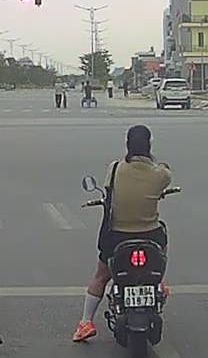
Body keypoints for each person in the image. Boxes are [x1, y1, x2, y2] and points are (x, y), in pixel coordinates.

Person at [72, 125, 172, 342]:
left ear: (127, 145)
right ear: (149, 146)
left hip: (117, 237)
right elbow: (166, 173)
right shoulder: (160, 175)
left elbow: (109, 190)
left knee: (101, 276)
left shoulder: (115, 168)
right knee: (162, 236)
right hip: (150, 235)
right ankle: (159, 280)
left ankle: (86, 322)